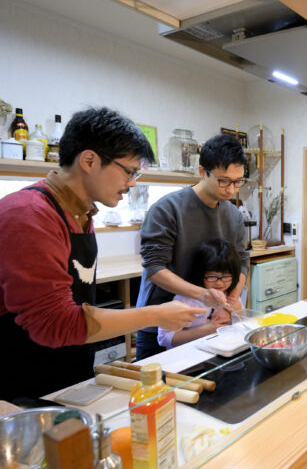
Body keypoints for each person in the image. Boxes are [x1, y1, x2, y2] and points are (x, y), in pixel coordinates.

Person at [0, 107, 204, 400]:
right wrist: (155, 314)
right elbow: (55, 323)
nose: (133, 183)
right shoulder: (28, 215)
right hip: (19, 390)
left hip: (67, 378)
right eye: (129, 171)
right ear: (89, 160)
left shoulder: (82, 215)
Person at [135, 133, 250, 359]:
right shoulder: (167, 209)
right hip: (163, 324)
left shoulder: (234, 216)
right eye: (224, 180)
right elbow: (154, 269)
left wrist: (231, 298)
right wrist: (204, 295)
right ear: (201, 172)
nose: (231, 190)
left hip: (211, 321)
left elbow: (243, 262)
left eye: (238, 182)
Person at [157, 239, 241, 349]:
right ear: (200, 274)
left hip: (219, 351)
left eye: (226, 277)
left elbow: (239, 325)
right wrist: (207, 329)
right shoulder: (186, 300)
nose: (219, 282)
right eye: (212, 277)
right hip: (188, 356)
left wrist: (234, 314)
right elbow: (164, 338)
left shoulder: (230, 295)